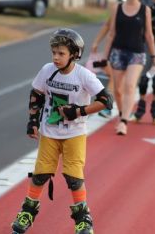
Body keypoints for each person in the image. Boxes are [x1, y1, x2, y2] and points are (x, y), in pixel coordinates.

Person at [11, 28, 113, 234]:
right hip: (49, 133)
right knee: (40, 174)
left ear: (74, 54)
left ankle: (83, 220)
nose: (56, 57)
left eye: (61, 53)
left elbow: (106, 100)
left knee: (74, 178)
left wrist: (79, 111)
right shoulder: (47, 70)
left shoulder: (84, 76)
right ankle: (27, 211)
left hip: (74, 135)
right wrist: (32, 121)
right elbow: (37, 94)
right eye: (54, 52)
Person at [104, 0, 155, 135]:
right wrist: (104, 57)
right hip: (118, 52)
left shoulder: (145, 10)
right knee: (117, 90)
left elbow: (148, 35)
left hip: (137, 53)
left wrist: (154, 57)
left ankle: (123, 122)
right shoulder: (117, 8)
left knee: (129, 85)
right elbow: (111, 33)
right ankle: (122, 113)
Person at [90, 16, 115, 118]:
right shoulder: (117, 8)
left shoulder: (143, 7)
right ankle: (106, 107)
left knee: (120, 83)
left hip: (131, 52)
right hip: (114, 51)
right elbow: (107, 25)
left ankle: (120, 110)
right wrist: (96, 42)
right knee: (113, 78)